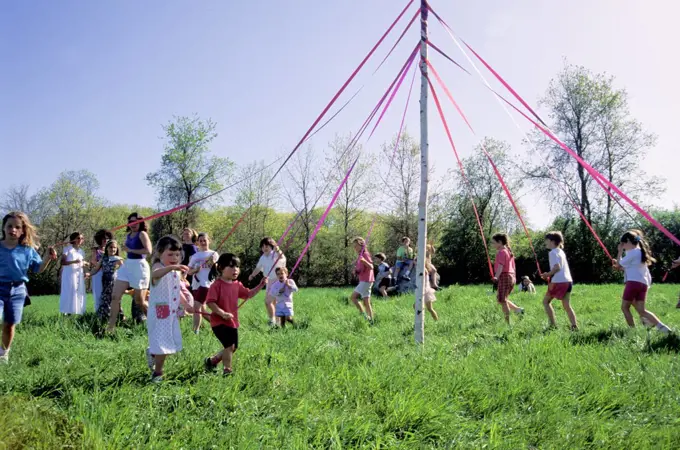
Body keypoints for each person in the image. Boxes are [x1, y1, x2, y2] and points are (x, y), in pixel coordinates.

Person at [0, 212, 57, 363]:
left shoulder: (27, 250)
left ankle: (3, 354)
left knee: (9, 325)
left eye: (17, 227)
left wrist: (47, 258)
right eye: (9, 226)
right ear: (3, 228)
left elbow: (38, 269)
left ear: (23, 230)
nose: (13, 230)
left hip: (18, 290)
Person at [204, 253, 267, 376]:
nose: (235, 270)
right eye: (231, 266)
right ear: (221, 268)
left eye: (237, 267)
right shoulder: (216, 285)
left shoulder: (237, 285)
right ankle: (227, 370)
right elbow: (210, 303)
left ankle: (212, 361)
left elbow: (248, 294)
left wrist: (261, 285)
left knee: (233, 347)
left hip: (232, 322)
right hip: (218, 322)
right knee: (229, 346)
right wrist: (222, 313)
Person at [146, 236, 196, 383]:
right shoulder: (158, 267)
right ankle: (157, 373)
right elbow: (155, 275)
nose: (174, 258)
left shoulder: (176, 272)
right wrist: (172, 267)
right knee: (163, 343)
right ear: (160, 253)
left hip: (171, 314)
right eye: (170, 254)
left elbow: (177, 290)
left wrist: (186, 304)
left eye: (177, 255)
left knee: (167, 341)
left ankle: (153, 354)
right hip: (159, 313)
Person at [612, 230, 671, 333]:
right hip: (642, 284)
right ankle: (664, 329)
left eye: (623, 243)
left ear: (629, 242)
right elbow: (625, 267)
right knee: (642, 311)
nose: (623, 246)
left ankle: (632, 331)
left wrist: (619, 252)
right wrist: (618, 263)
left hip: (633, 283)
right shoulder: (639, 252)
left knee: (624, 307)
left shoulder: (634, 252)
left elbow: (619, 265)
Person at [106, 212, 152, 333]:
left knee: (139, 301)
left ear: (141, 222)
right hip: (127, 266)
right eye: (131, 222)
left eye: (135, 222)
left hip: (139, 266)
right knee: (115, 297)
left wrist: (131, 249)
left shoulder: (142, 234)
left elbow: (148, 250)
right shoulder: (128, 235)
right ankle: (110, 327)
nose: (133, 224)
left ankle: (155, 321)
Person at [540, 232, 578, 330]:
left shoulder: (552, 252)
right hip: (568, 281)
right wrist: (549, 275)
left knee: (545, 302)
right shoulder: (561, 251)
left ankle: (553, 325)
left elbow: (557, 267)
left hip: (559, 282)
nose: (545, 242)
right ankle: (574, 326)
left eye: (547, 240)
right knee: (567, 305)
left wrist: (547, 274)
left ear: (552, 241)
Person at [248, 237, 286, 327]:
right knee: (270, 302)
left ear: (271, 246)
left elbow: (283, 258)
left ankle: (275, 321)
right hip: (269, 281)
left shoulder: (275, 254)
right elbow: (258, 268)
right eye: (263, 246)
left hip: (278, 282)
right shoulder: (263, 257)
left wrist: (278, 250)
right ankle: (274, 321)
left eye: (267, 246)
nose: (264, 248)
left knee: (272, 302)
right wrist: (252, 275)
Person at [187, 232, 219, 334]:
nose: (203, 242)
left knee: (196, 308)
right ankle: (219, 324)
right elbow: (189, 271)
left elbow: (218, 269)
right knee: (203, 311)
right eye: (200, 241)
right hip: (196, 284)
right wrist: (195, 270)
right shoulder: (195, 256)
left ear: (209, 241)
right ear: (197, 243)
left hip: (206, 284)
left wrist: (213, 264)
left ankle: (195, 331)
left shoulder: (213, 254)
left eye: (204, 240)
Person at [492, 233, 524, 323]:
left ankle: (507, 323)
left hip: (505, 276)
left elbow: (501, 266)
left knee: (502, 300)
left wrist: (496, 277)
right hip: (510, 276)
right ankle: (518, 310)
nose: (492, 245)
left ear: (500, 242)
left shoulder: (502, 252)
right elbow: (513, 267)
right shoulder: (508, 251)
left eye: (494, 243)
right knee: (501, 299)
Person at [90, 240, 124, 321]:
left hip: (114, 282)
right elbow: (96, 269)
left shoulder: (118, 259)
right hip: (105, 282)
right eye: (111, 247)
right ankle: (104, 317)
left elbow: (124, 271)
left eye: (114, 248)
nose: (113, 249)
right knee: (105, 299)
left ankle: (120, 317)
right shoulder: (103, 259)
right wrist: (89, 274)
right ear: (107, 248)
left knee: (115, 299)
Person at [59, 232, 88, 315]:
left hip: (79, 274)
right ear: (73, 239)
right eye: (78, 238)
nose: (80, 240)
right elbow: (62, 262)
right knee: (69, 292)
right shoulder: (67, 249)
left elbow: (81, 264)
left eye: (81, 238)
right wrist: (74, 261)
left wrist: (85, 268)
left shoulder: (81, 251)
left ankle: (77, 313)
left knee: (78, 292)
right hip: (69, 275)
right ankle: (66, 313)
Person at [350, 237, 375, 324]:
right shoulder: (360, 256)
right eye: (354, 246)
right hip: (365, 280)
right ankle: (371, 320)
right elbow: (361, 270)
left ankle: (363, 315)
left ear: (362, 245)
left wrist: (364, 261)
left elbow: (371, 267)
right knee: (366, 302)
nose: (355, 248)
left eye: (356, 246)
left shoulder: (365, 255)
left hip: (366, 281)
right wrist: (356, 271)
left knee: (353, 297)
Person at [90, 229, 113, 312]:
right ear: (99, 239)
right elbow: (93, 261)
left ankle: (107, 311)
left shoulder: (111, 249)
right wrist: (102, 266)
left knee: (108, 294)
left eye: (107, 239)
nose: (105, 240)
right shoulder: (96, 250)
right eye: (103, 238)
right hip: (98, 274)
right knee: (98, 294)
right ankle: (98, 312)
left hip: (108, 275)